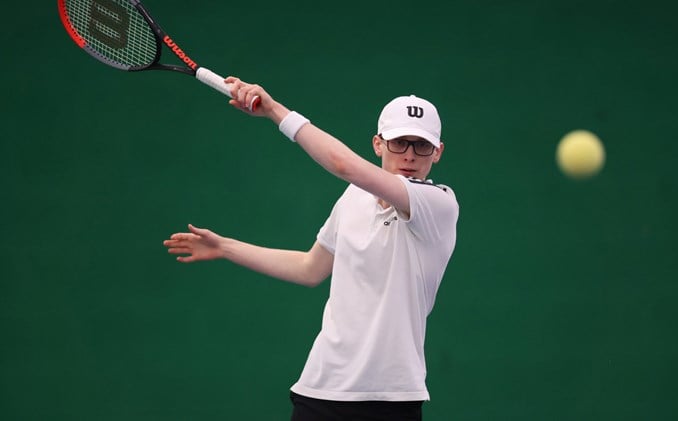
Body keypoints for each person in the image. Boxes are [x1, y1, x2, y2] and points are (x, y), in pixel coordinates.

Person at [163, 77, 459, 421]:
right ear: (378, 144)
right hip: (319, 390)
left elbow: (343, 164)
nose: (409, 155)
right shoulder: (353, 198)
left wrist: (274, 110)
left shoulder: (438, 204)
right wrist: (226, 247)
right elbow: (310, 268)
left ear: (437, 152)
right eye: (399, 143)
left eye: (421, 145)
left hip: (390, 399)